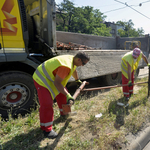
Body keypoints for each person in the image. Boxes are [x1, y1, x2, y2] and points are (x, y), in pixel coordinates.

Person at [33, 52, 90, 139]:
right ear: (79, 59)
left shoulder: (73, 60)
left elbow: (74, 70)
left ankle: (65, 113)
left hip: (52, 79)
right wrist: (68, 95)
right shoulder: (65, 66)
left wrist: (77, 80)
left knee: (63, 96)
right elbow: (57, 83)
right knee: (47, 104)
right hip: (42, 79)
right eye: (83, 63)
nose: (83, 65)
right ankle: (46, 129)